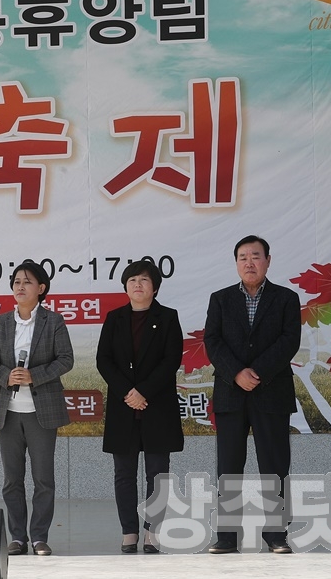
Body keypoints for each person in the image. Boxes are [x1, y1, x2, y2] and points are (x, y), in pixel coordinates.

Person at [203, 235, 300, 554]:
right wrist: (236, 373)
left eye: (256, 256)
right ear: (236, 263)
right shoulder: (220, 299)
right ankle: (227, 536)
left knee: (275, 465)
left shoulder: (286, 298)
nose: (249, 262)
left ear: (268, 261)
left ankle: (276, 534)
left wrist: (256, 371)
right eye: (243, 257)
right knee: (229, 466)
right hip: (231, 392)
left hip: (271, 390)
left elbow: (289, 341)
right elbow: (212, 341)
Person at [0, 261, 74, 557]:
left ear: (41, 288)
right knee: (12, 480)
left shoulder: (53, 321)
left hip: (41, 412)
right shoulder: (2, 322)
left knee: (43, 479)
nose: (20, 287)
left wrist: (34, 375)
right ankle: (17, 537)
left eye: (27, 282)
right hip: (8, 411)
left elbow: (65, 359)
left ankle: (39, 537)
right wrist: (5, 376)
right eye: (16, 282)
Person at [96, 259, 184, 554]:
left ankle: (152, 532)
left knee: (157, 474)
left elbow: (171, 360)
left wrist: (143, 391)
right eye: (132, 280)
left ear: (154, 288)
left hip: (157, 405)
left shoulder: (168, 317)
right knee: (124, 473)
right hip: (124, 407)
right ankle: (129, 531)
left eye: (144, 280)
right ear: (125, 287)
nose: (137, 284)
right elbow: (103, 360)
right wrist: (128, 392)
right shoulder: (115, 318)